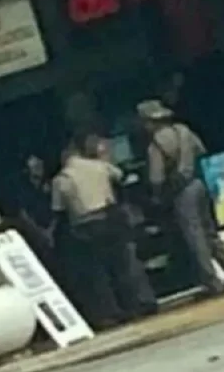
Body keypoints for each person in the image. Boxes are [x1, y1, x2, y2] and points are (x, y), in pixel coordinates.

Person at [138, 99, 224, 296]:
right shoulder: (184, 131)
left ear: (149, 122)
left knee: (194, 237)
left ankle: (211, 282)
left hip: (180, 192)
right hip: (198, 184)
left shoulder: (156, 144)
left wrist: (157, 196)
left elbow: (156, 177)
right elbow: (201, 150)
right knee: (209, 232)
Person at [51, 133, 158, 329]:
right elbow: (122, 176)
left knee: (98, 272)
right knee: (124, 264)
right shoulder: (99, 166)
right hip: (110, 217)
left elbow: (58, 209)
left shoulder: (62, 179)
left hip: (86, 226)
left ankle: (112, 312)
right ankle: (139, 303)